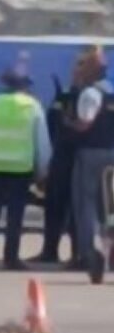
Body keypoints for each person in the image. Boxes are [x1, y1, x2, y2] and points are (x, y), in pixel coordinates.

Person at [0, 58, 52, 271]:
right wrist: (42, 172)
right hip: (20, 170)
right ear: (26, 85)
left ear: (5, 83)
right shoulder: (33, 107)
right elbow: (42, 144)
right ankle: (11, 258)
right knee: (15, 217)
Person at [30, 59, 86, 266]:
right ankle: (49, 251)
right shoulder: (63, 95)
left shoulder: (91, 97)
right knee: (53, 206)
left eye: (81, 68)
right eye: (76, 67)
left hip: (81, 159)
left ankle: (78, 254)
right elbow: (50, 126)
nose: (76, 72)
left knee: (78, 210)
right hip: (60, 157)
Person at [69, 46, 114, 284]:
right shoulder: (111, 91)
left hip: (92, 153)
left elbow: (85, 123)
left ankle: (90, 254)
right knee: (111, 205)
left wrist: (70, 124)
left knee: (86, 204)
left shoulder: (90, 94)